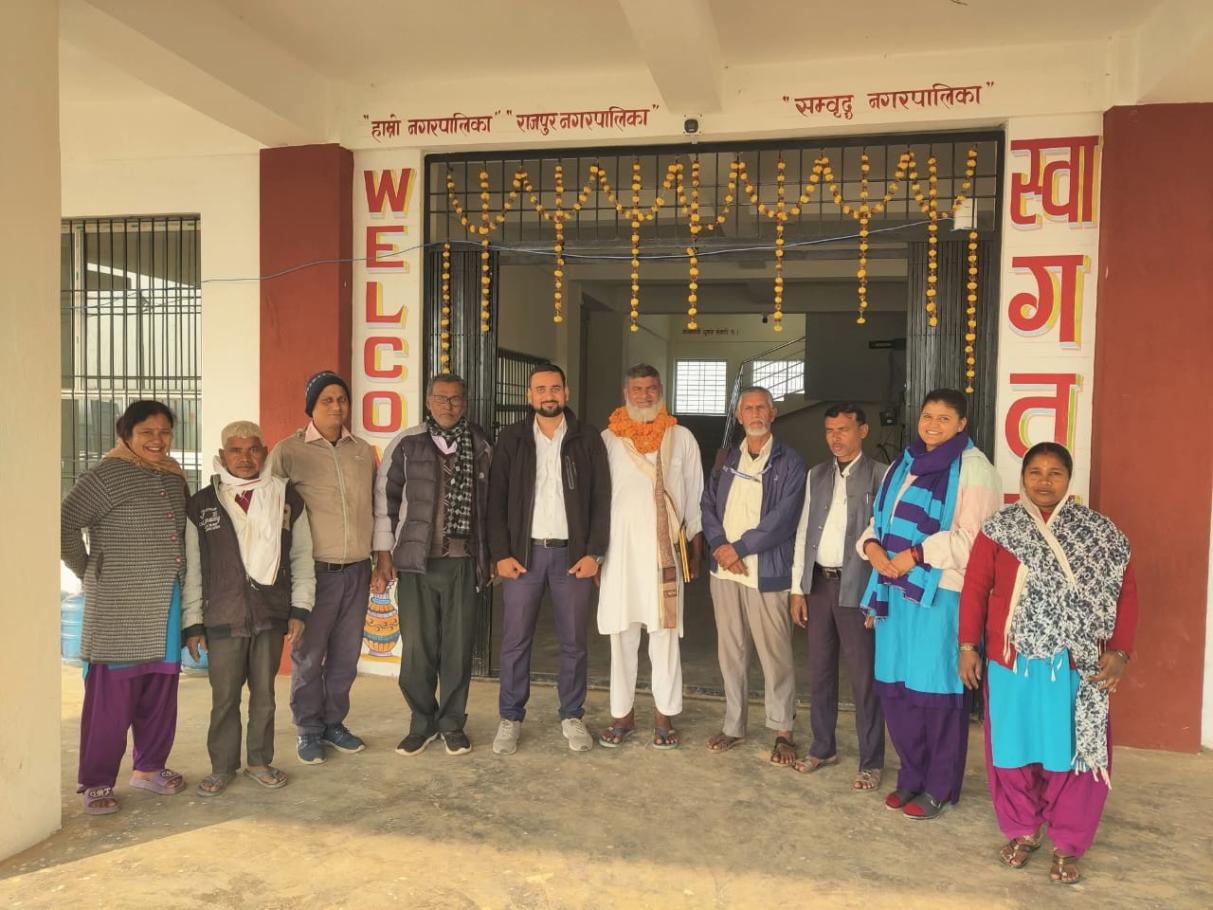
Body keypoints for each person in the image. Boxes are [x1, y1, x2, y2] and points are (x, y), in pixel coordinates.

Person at [959, 442, 1138, 884]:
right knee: (1013, 751)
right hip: (1012, 662)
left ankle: (1067, 842)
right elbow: (975, 588)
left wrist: (1119, 652)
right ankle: (1024, 829)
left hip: (1075, 664)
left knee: (1071, 754)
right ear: (1022, 477)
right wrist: (967, 646)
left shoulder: (1099, 533)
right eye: (1035, 472)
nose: (1044, 481)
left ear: (1068, 479)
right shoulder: (1000, 528)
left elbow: (1125, 592)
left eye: (1054, 473)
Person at [858, 387, 1001, 819]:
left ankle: (940, 787)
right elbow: (878, 521)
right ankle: (911, 777)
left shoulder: (975, 469)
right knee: (898, 691)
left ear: (962, 424)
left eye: (944, 418)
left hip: (940, 594)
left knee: (935, 693)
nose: (933, 425)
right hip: (893, 590)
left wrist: (917, 554)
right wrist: (872, 548)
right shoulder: (903, 463)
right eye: (927, 416)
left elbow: (975, 541)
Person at [61, 400, 191, 814]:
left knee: (160, 688)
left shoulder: (173, 476)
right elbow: (63, 524)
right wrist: (90, 571)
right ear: (127, 435)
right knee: (111, 699)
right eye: (146, 432)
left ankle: (149, 768)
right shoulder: (106, 475)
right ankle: (96, 781)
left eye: (164, 431)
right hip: (118, 607)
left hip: (166, 602)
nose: (157, 440)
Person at [184, 420, 315, 796]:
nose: (245, 458)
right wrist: (193, 623)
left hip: (269, 613)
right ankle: (222, 767)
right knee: (224, 698)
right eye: (236, 450)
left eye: (253, 449)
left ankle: (259, 760)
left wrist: (300, 608)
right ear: (222, 455)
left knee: (264, 696)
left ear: (265, 452)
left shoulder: (285, 497)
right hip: (222, 616)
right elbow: (194, 568)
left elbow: (302, 555)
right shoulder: (203, 503)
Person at [487, 363, 611, 754]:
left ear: (566, 392)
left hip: (571, 558)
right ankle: (510, 717)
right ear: (530, 396)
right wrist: (500, 554)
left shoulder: (587, 438)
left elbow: (602, 498)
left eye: (555, 388)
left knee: (574, 642)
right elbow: (495, 501)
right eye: (540, 389)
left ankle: (572, 714)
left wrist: (594, 553)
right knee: (515, 641)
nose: (548, 395)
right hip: (523, 557)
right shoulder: (512, 439)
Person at [372, 373, 492, 757]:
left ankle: (452, 724)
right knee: (418, 648)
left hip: (462, 562)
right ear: (427, 401)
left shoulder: (481, 445)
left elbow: (491, 507)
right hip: (415, 564)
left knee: (458, 648)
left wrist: (490, 557)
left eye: (456, 399)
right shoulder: (407, 443)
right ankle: (421, 723)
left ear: (465, 403)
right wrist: (384, 553)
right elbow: (385, 501)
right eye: (441, 398)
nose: (448, 406)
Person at [269, 370, 377, 764]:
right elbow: (271, 516)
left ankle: (334, 723)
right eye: (327, 400)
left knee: (346, 655)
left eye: (342, 399)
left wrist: (381, 556)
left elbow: (376, 506)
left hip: (357, 570)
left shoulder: (362, 451)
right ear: (311, 407)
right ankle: (308, 728)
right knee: (309, 656)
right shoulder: (289, 452)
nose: (336, 406)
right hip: (313, 574)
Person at [596, 364, 704, 750]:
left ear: (661, 391)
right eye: (637, 389)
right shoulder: (608, 438)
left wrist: (695, 543)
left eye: (651, 388)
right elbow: (596, 500)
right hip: (619, 552)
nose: (644, 395)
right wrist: (596, 554)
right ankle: (621, 716)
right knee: (621, 636)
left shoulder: (681, 437)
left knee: (665, 636)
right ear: (626, 393)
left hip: (664, 553)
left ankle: (664, 716)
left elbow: (695, 492)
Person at [701, 386, 806, 765]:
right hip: (725, 571)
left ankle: (783, 730)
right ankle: (733, 725)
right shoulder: (727, 458)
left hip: (766, 571)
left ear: (773, 413)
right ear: (740, 416)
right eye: (749, 408)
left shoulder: (790, 461)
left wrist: (740, 548)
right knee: (731, 652)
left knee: (774, 653)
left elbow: (784, 518)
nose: (756, 413)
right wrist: (720, 546)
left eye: (762, 407)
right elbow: (707, 504)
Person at [789, 404, 888, 790]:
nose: (836, 437)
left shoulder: (881, 475)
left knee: (864, 678)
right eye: (830, 430)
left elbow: (886, 537)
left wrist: (878, 596)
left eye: (844, 429)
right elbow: (803, 532)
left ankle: (871, 760)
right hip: (819, 585)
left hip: (859, 587)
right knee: (820, 671)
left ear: (862, 431)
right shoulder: (816, 475)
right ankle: (823, 746)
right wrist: (797, 589)